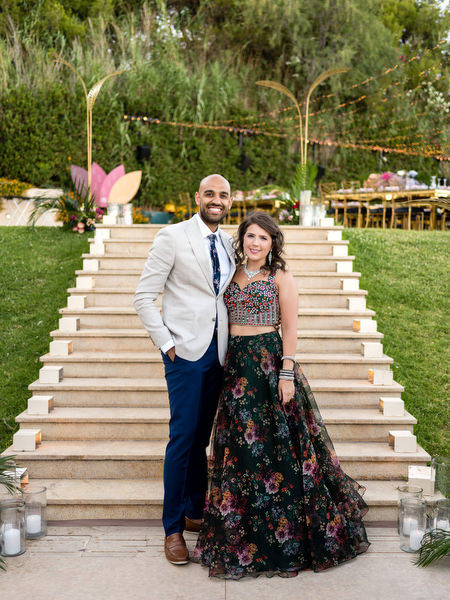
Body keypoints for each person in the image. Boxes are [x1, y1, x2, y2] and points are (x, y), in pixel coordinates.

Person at [193, 211, 370, 579]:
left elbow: (290, 327)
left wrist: (286, 374)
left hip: (271, 366)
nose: (255, 243)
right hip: (236, 369)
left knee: (278, 452)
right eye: (250, 236)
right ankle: (242, 537)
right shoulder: (230, 274)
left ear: (273, 244)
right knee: (241, 453)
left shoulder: (281, 277)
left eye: (263, 238)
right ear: (241, 239)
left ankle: (285, 539)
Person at [133, 174, 235, 565]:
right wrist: (167, 343)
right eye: (209, 193)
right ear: (196, 197)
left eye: (223, 195)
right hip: (184, 354)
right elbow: (143, 295)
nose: (216, 200)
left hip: (219, 354)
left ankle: (195, 511)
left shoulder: (229, 243)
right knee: (181, 438)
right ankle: (173, 529)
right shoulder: (172, 237)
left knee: (200, 439)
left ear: (230, 201)